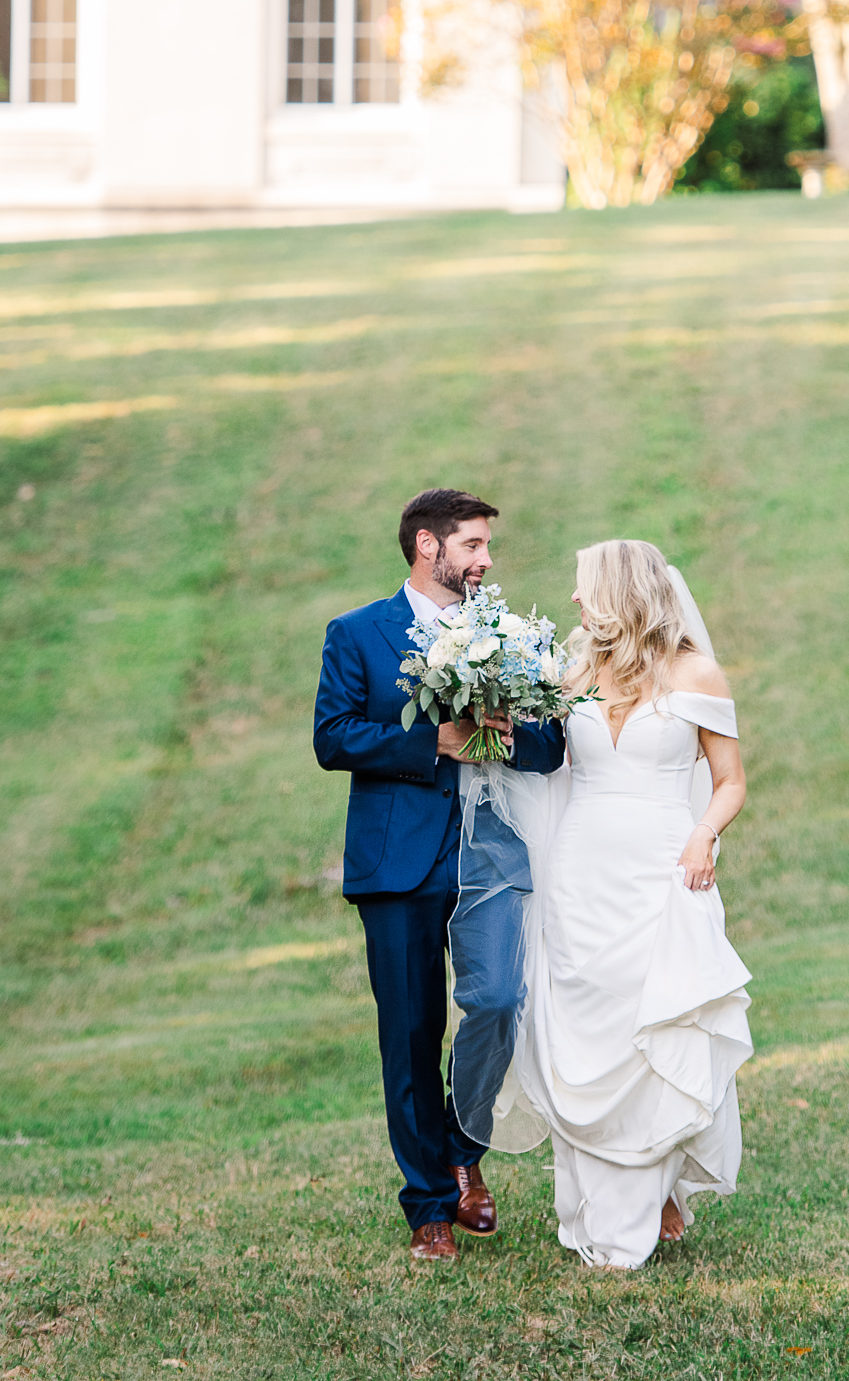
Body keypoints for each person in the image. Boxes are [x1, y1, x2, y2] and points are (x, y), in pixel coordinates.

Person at [313, 488, 567, 1263]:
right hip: (400, 864)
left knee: (497, 1001)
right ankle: (429, 1207)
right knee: (412, 1033)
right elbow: (334, 736)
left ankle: (463, 1146)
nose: (487, 561)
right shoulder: (357, 633)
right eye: (474, 546)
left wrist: (505, 734)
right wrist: (439, 742)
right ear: (429, 546)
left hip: (493, 854)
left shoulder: (513, 636)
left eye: (486, 547)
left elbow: (552, 748)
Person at [510, 540, 753, 1268]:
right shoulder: (572, 672)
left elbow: (731, 780)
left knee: (652, 1025)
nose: (577, 603)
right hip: (580, 870)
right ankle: (598, 1199)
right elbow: (538, 759)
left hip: (661, 871)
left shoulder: (695, 674)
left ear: (622, 591)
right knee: (585, 1027)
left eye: (586, 588)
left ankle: (652, 1194)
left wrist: (704, 835)